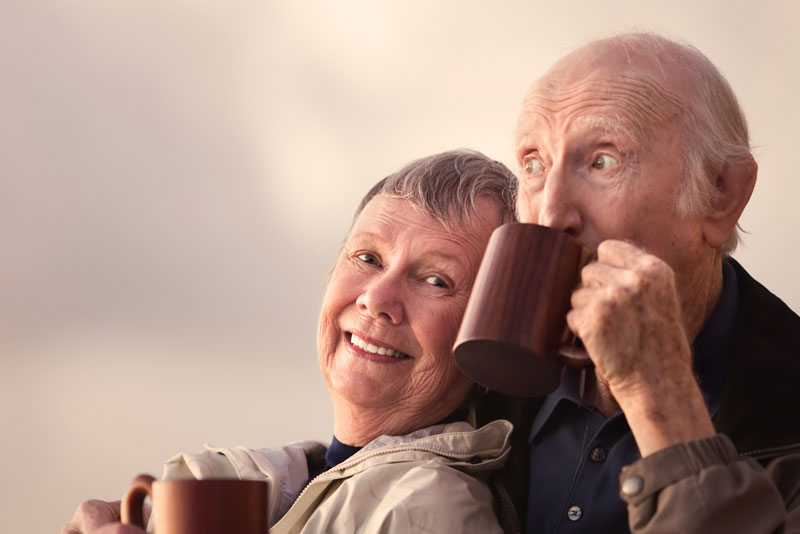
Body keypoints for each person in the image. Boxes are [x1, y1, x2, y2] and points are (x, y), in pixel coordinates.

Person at [61, 149, 519, 534]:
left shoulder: (428, 511)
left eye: (436, 280)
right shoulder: (274, 483)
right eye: (367, 257)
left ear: (487, 343)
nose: (377, 299)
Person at [479, 32, 800, 534]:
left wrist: (659, 395)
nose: (550, 214)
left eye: (603, 160)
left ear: (721, 192)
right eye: (534, 165)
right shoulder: (474, 383)